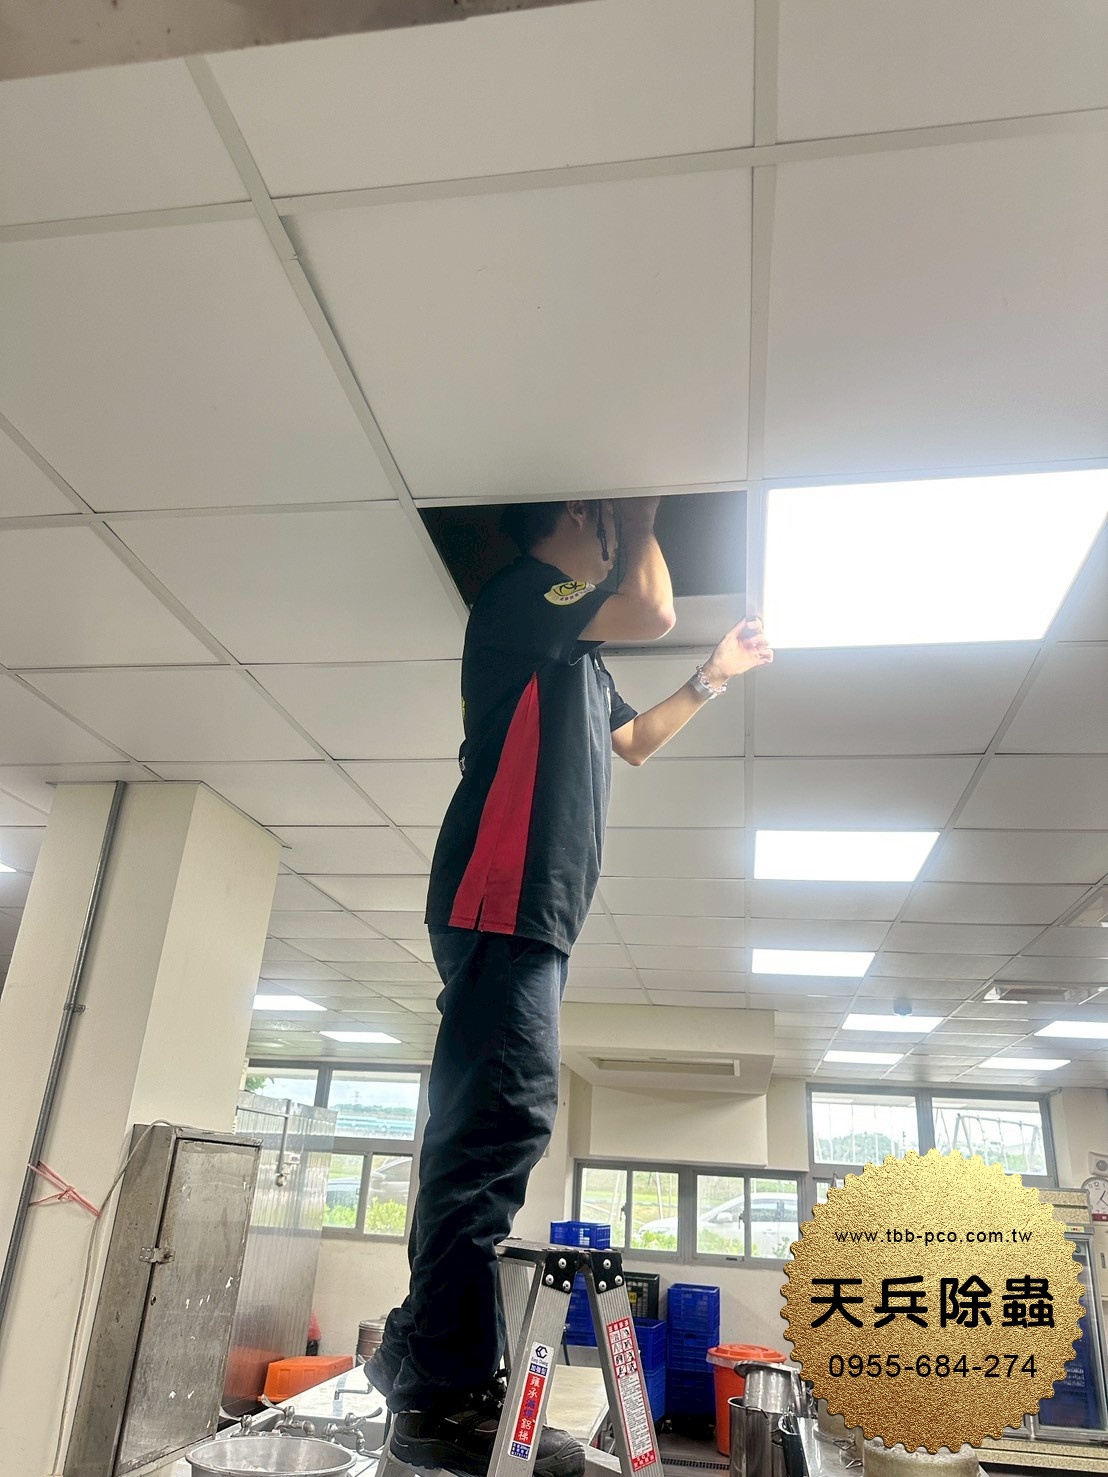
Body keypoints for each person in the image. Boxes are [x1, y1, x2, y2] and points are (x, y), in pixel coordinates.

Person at [368, 496, 773, 1477]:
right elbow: (652, 609)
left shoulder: (575, 654)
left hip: (528, 915)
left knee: (487, 1131)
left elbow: (635, 742)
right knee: (496, 1130)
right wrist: (641, 517)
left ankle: (419, 1357)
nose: (615, 549)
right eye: (606, 531)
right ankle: (440, 1398)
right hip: (502, 902)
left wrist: (713, 677)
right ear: (580, 518)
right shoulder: (526, 594)